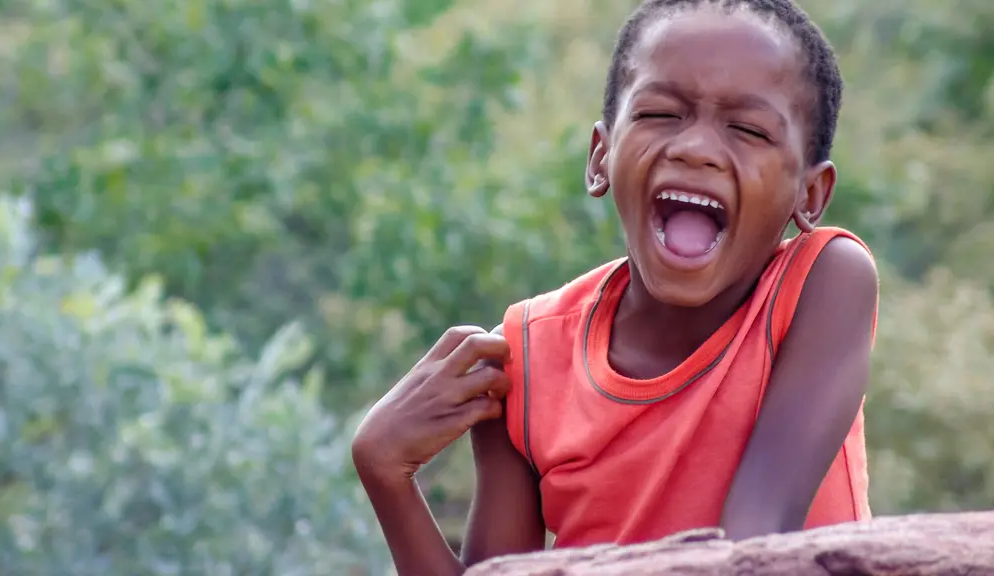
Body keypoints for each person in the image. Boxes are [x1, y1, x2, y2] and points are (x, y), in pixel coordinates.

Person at [350, 0, 880, 574]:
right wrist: (384, 471)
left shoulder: (822, 283)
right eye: (659, 114)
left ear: (811, 195)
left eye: (749, 129)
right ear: (601, 156)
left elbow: (753, 542)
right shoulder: (528, 354)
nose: (695, 149)